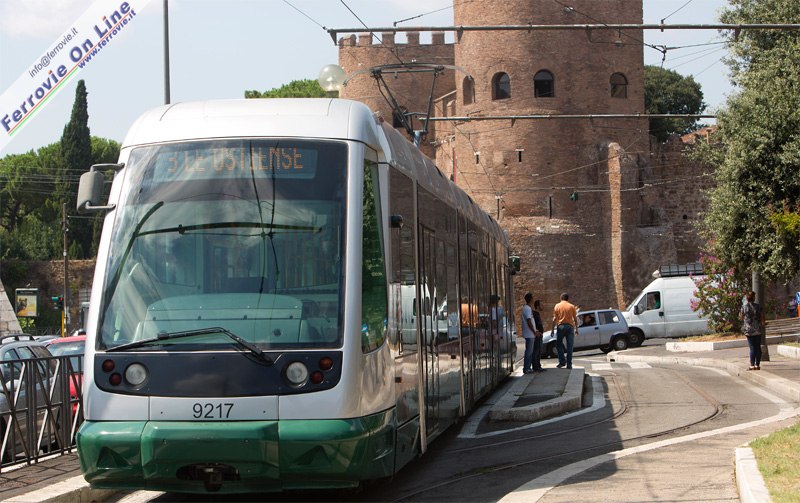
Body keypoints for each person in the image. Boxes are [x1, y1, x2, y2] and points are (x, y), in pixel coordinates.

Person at [552, 292, 579, 369]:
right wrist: (576, 329)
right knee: (570, 346)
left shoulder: (557, 306)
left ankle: (562, 361)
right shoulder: (572, 306)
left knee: (559, 344)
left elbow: (554, 319)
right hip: (570, 327)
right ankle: (569, 364)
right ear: (568, 299)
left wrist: (552, 329)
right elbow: (575, 319)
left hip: (561, 326)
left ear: (561, 298)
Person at [741, 290, 765, 370]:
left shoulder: (744, 307)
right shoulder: (758, 306)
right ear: (754, 298)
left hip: (748, 330)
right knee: (757, 347)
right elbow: (762, 316)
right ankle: (757, 365)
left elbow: (741, 317)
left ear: (747, 298)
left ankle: (752, 365)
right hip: (757, 329)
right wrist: (763, 324)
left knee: (752, 347)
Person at [521, 292, 536, 374]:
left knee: (530, 351)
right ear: (531, 299)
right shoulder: (527, 308)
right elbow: (529, 321)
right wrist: (534, 331)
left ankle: (528, 367)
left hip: (530, 334)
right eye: (533, 298)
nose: (534, 299)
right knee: (529, 352)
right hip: (529, 334)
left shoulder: (528, 308)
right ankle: (526, 368)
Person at [532, 300, 546, 372]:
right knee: (536, 351)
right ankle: (535, 367)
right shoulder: (534, 314)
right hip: (537, 335)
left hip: (540, 335)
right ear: (537, 306)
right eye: (541, 305)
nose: (543, 306)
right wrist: (537, 331)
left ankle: (538, 366)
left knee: (539, 351)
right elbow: (534, 324)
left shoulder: (537, 314)